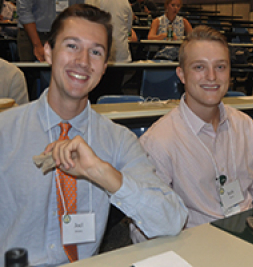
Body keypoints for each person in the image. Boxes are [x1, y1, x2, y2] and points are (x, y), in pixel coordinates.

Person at [0, 4, 188, 266]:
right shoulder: (5, 131)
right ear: (47, 52)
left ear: (104, 67)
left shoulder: (119, 140)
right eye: (72, 46)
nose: (83, 61)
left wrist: (103, 173)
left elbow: (172, 219)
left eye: (96, 52)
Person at [139, 25, 253, 232]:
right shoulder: (158, 142)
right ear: (181, 74)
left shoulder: (245, 126)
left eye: (220, 67)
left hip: (248, 235)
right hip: (196, 245)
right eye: (199, 67)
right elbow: (145, 227)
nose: (211, 76)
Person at [16, 0, 85, 62]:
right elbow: (24, 12)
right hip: (33, 36)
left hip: (65, 35)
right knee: (30, 72)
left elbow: (79, 11)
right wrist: (37, 45)